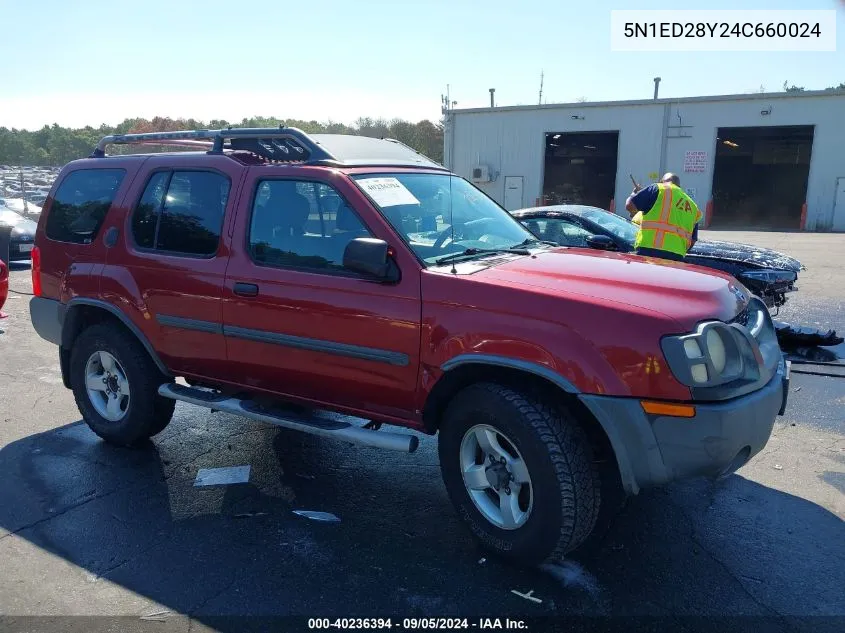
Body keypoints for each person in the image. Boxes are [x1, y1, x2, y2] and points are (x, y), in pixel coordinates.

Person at [625, 172, 702, 262]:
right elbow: (692, 240)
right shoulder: (693, 206)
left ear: (662, 182)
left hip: (649, 251)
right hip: (677, 256)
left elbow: (629, 206)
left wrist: (633, 194)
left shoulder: (658, 188)